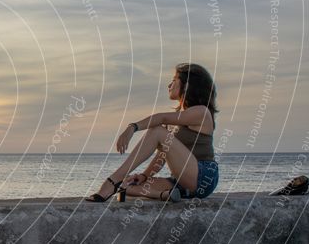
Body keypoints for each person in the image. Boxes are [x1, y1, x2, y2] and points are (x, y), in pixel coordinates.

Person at [85, 63, 220, 202]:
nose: (169, 85)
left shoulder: (202, 112)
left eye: (174, 80)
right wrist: (144, 176)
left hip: (203, 176)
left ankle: (113, 180)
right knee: (127, 185)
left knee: (157, 130)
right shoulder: (178, 119)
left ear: (186, 85)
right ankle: (165, 195)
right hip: (181, 181)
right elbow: (161, 157)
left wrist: (132, 127)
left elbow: (161, 118)